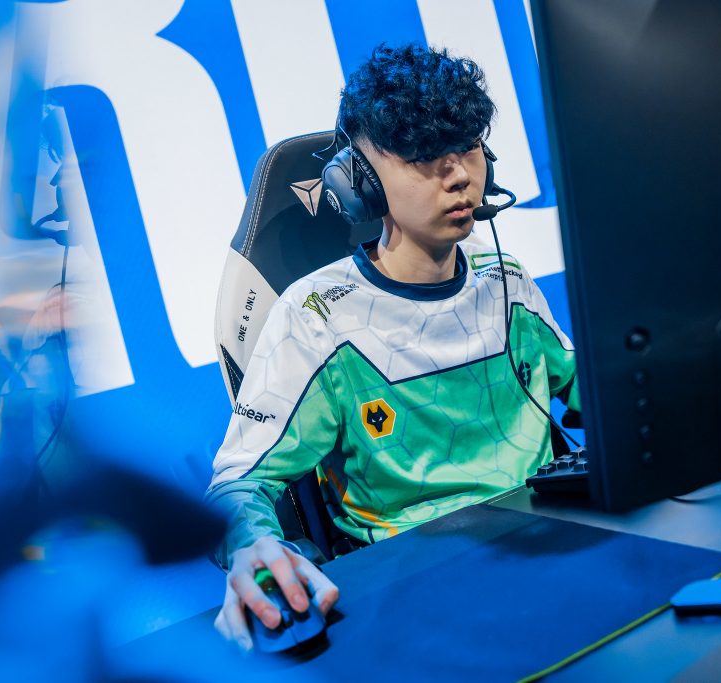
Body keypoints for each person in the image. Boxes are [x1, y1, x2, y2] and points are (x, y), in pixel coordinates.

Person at [206, 43, 580, 650]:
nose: (459, 176)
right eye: (424, 158)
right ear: (362, 183)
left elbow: (599, 395)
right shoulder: (316, 316)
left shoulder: (507, 281)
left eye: (468, 147)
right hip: (417, 592)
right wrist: (257, 549)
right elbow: (237, 484)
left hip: (557, 552)